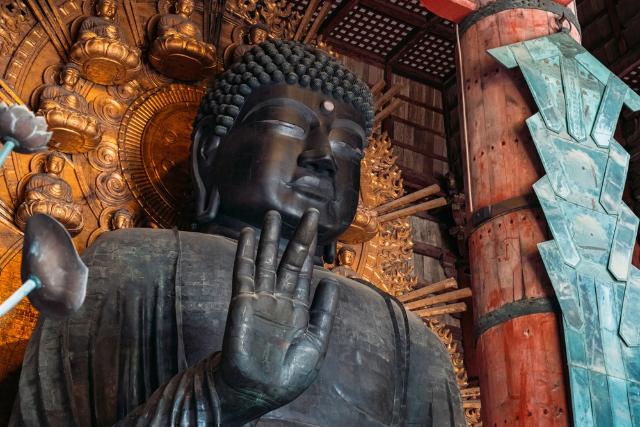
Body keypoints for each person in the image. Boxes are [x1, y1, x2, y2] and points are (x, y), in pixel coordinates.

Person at [11, 40, 464, 426]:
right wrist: (216, 396)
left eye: (348, 146)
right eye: (287, 124)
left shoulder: (408, 336)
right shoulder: (127, 263)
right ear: (209, 153)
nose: (323, 156)